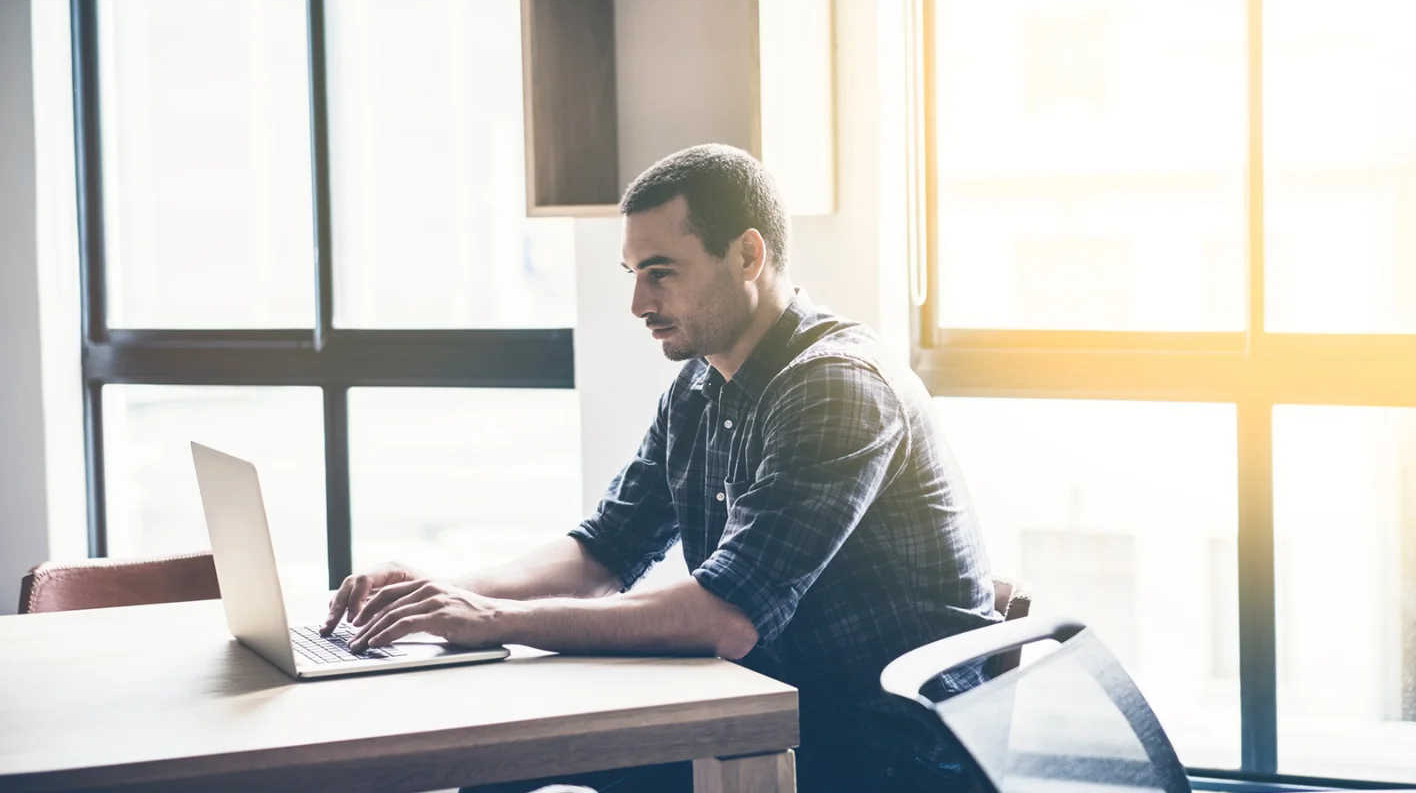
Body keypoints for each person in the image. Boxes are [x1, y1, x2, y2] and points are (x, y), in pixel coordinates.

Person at [325, 144, 1001, 792]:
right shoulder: (702, 383)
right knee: (491, 771)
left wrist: (491, 617)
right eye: (634, 275)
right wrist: (438, 597)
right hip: (767, 711)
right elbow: (605, 549)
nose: (639, 304)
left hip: (885, 755)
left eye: (662, 272)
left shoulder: (836, 388)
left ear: (746, 255)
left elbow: (725, 617)